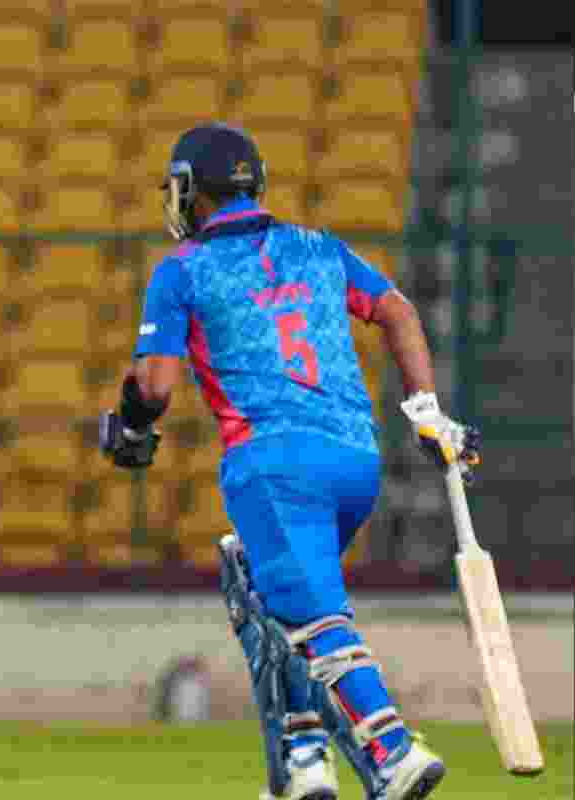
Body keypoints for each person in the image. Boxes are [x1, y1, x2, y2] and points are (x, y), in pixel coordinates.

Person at [99, 124, 480, 800]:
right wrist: (425, 411)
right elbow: (397, 312)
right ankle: (304, 756)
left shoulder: (181, 270)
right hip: (354, 461)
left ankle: (391, 751)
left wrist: (126, 421)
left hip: (272, 465)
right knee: (261, 589)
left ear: (192, 191)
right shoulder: (319, 248)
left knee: (311, 617)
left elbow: (154, 389)